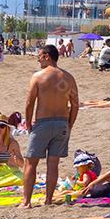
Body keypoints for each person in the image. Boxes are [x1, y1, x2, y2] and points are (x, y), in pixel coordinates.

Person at [20, 44, 79, 208]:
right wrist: (69, 125)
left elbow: (29, 103)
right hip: (62, 123)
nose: (38, 59)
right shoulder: (68, 77)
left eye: (39, 56)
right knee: (53, 164)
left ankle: (26, 202)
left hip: (43, 123)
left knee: (31, 163)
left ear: (47, 56)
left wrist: (29, 124)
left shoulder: (38, 76)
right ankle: (48, 200)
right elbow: (75, 104)